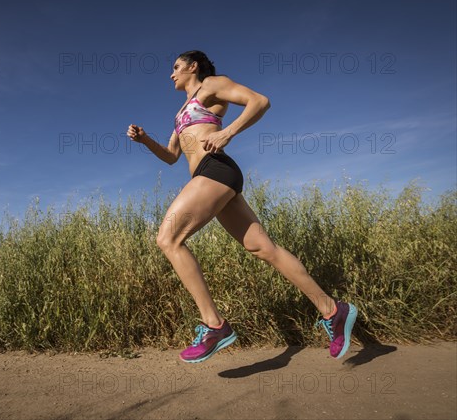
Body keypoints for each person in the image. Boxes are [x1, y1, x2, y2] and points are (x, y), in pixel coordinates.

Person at [126, 50, 357, 363]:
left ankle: (214, 325)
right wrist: (145, 141)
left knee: (168, 239)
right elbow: (171, 156)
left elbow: (259, 101)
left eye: (176, 67)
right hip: (213, 179)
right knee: (264, 249)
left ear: (193, 66)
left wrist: (227, 132)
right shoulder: (181, 112)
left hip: (215, 169)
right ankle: (333, 311)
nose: (171, 74)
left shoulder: (211, 86)